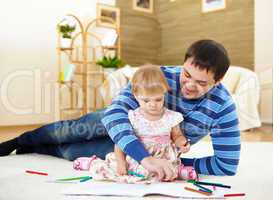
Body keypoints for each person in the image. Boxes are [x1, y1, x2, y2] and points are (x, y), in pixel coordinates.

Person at [0, 39, 241, 181]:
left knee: (73, 150)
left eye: (201, 83)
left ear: (217, 82)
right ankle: (20, 141)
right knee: (69, 131)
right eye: (187, 74)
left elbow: (226, 165)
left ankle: (31, 149)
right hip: (122, 126)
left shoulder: (223, 107)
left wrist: (175, 165)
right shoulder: (160, 75)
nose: (188, 85)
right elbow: (115, 113)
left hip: (138, 149)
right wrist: (143, 157)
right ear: (183, 63)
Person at [73, 65, 197, 183]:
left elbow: (177, 135)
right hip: (136, 157)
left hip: (162, 158)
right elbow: (120, 143)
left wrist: (182, 143)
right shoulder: (133, 117)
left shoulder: (171, 117)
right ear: (136, 96)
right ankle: (92, 163)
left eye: (158, 99)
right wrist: (121, 162)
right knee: (112, 167)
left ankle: (181, 171)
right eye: (146, 100)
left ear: (164, 92)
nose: (153, 104)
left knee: (170, 168)